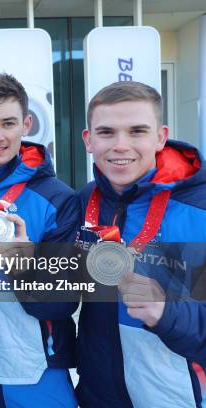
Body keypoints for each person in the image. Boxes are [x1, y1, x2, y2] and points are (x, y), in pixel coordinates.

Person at [0, 73, 79, 407]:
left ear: (27, 123)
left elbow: (64, 302)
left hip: (37, 369)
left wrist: (24, 270)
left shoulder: (58, 199)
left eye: (8, 123)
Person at [75, 80, 206, 407]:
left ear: (160, 136)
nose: (121, 145)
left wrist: (167, 312)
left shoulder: (200, 209)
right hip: (98, 395)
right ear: (89, 141)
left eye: (137, 131)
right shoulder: (82, 201)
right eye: (106, 132)